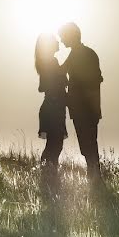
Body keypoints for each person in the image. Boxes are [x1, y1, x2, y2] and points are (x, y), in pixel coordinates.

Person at [58, 22, 103, 182]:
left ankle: (95, 179)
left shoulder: (86, 54)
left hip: (86, 109)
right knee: (87, 146)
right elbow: (61, 71)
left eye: (63, 37)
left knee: (89, 145)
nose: (62, 41)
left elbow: (94, 81)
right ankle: (94, 179)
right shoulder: (76, 54)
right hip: (81, 109)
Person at [34, 33, 67, 178]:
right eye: (54, 40)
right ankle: (48, 176)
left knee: (54, 145)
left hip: (53, 107)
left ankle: (48, 175)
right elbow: (43, 86)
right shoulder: (50, 62)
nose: (58, 41)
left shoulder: (48, 62)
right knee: (55, 145)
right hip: (53, 107)